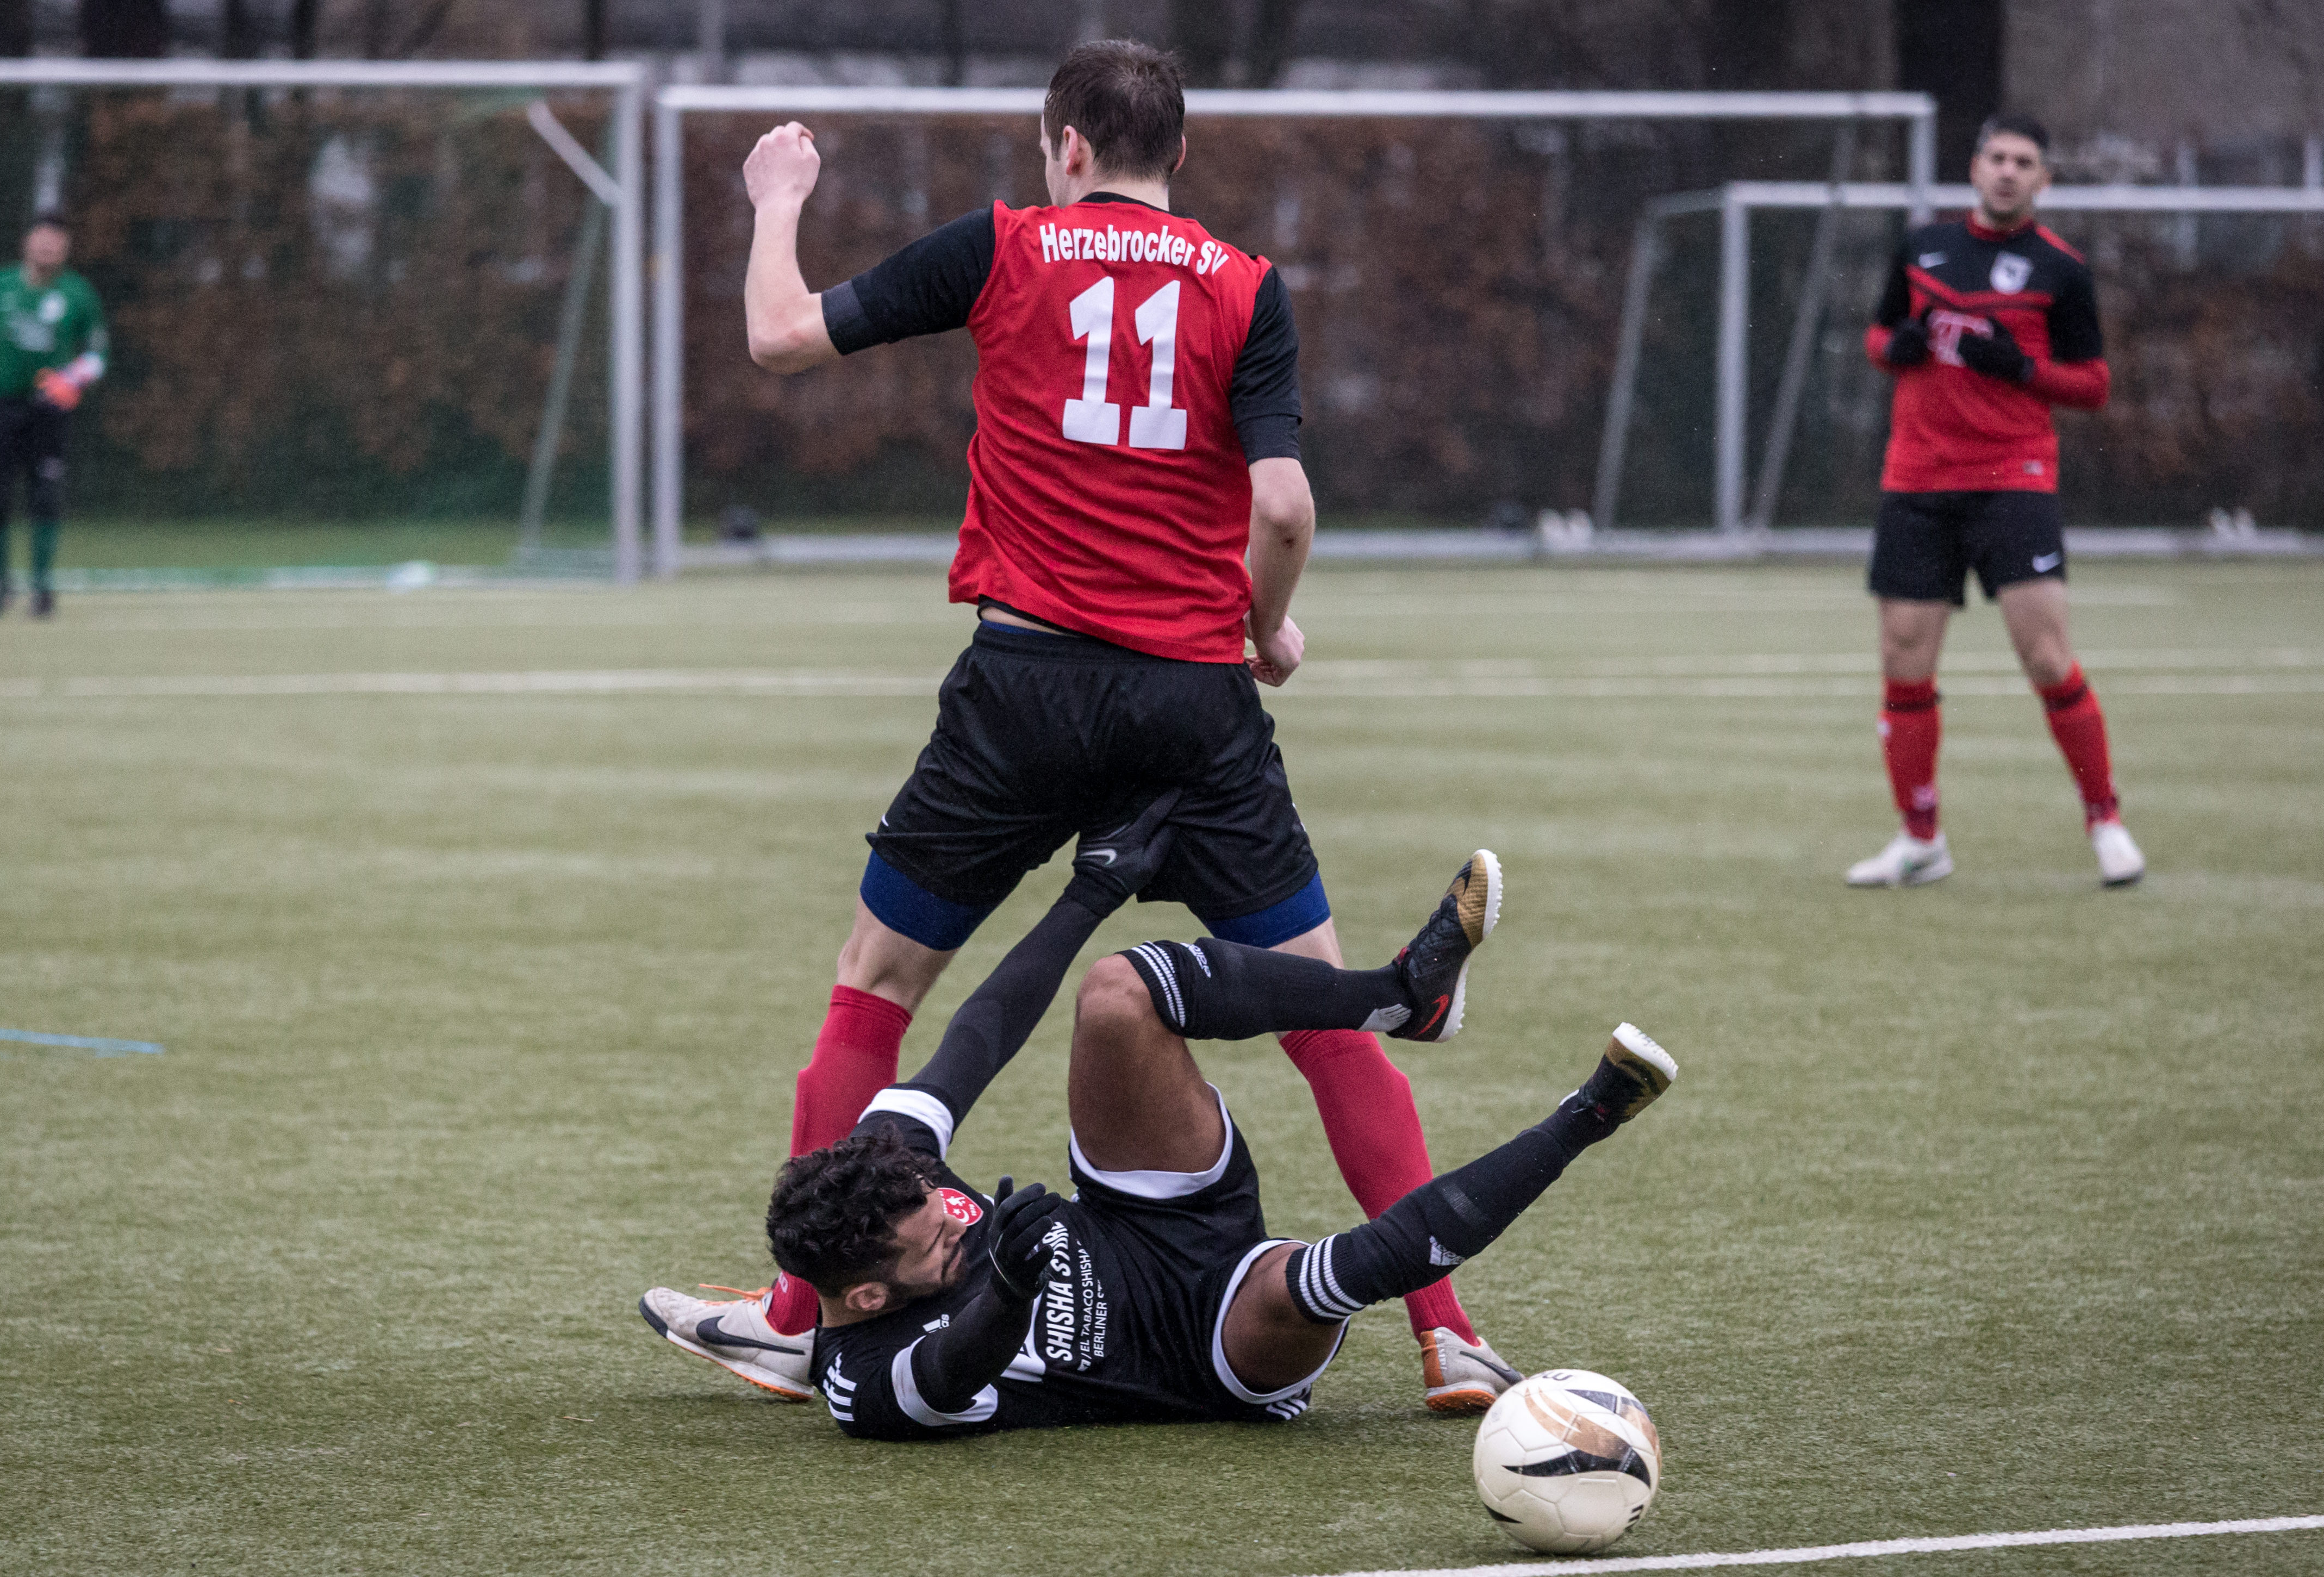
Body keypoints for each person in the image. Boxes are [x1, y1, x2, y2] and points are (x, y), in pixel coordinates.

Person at [644, 40, 1518, 1411]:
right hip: (1192, 705)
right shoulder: (1244, 285)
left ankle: (794, 1319)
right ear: (1181, 152)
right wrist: (1265, 625)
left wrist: (777, 198)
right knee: (1329, 1015)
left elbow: (779, 335)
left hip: (1024, 693)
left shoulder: (1002, 248)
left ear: (1063, 146)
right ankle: (1447, 1333)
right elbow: (1284, 506)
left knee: (877, 983)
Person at [645, 837, 1679, 1441]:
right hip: (1203, 1352)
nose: (955, 1213)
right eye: (939, 1237)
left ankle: (1398, 997)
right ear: (869, 1296)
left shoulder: (886, 1170)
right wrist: (1004, 1285)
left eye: (942, 1203)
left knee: (1116, 993)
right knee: (1323, 1279)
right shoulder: (864, 1382)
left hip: (1152, 1208)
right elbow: (957, 1365)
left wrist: (1091, 889)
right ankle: (1589, 1115)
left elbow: (983, 1031)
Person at [1847, 113, 2143, 890]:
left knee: (2045, 657)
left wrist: (2022, 371)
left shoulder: (2060, 270)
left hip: (2013, 479)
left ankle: (2106, 822)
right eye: (1997, 158)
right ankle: (1920, 840)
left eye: (2024, 162)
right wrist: (1894, 350)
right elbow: (1878, 336)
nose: (2008, 171)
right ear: (1975, 168)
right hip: (1916, 481)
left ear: (2043, 179)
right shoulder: (1922, 249)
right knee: (1903, 663)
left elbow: (2094, 385)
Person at [0, 214, 108, 621]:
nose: (48, 247)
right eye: (42, 238)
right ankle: (1, 582)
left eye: (57, 241)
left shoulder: (78, 293)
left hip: (49, 412)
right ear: (27, 242)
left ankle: (42, 587)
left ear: (66, 249)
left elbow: (99, 352)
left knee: (46, 497)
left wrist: (73, 377)